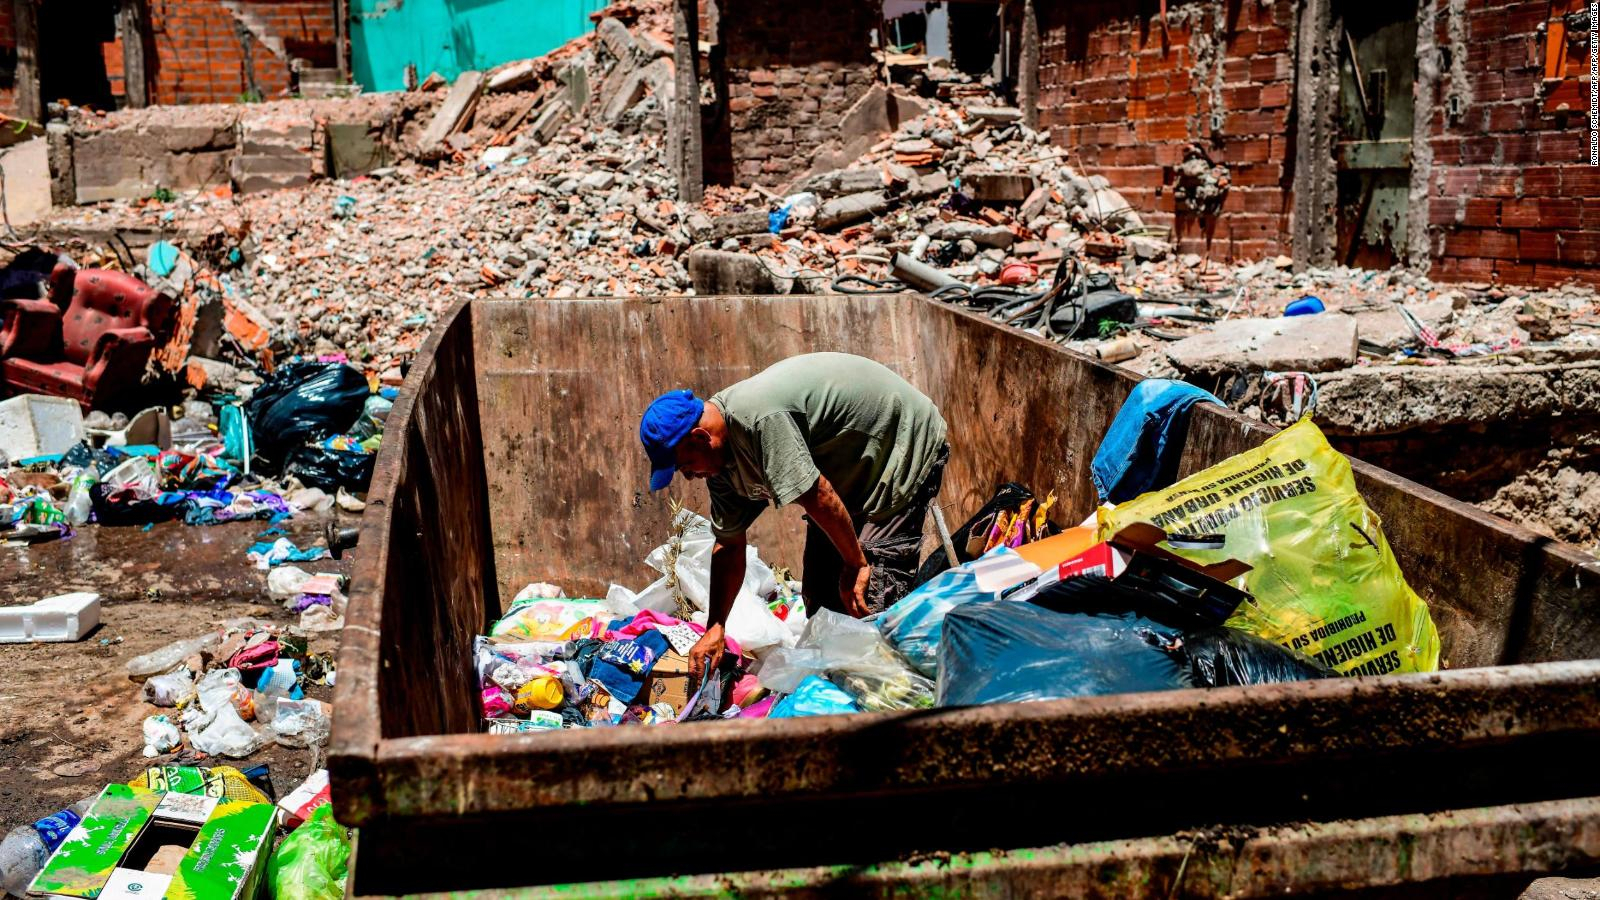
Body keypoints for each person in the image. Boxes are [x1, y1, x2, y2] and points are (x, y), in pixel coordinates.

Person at [639, 352, 950, 679]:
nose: (688, 477)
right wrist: (716, 626)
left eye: (685, 466)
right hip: (843, 475)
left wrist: (856, 562)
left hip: (898, 448)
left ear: (701, 439)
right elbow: (729, 546)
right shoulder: (719, 466)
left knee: (869, 599)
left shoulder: (759, 420)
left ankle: (892, 704)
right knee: (822, 602)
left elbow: (818, 495)